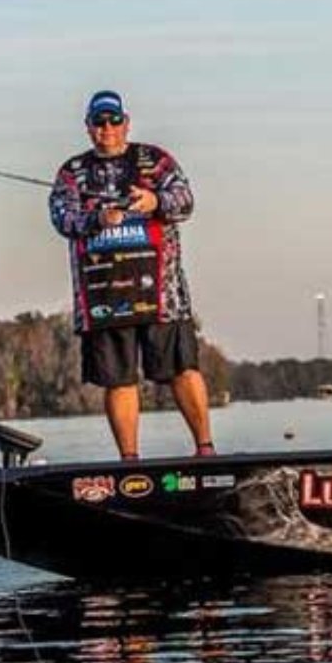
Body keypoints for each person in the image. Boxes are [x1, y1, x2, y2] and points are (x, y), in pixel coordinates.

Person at [49, 89, 215, 460]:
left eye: (113, 120)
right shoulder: (71, 172)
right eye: (99, 122)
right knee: (118, 379)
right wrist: (97, 217)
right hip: (103, 296)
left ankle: (205, 449)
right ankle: (129, 460)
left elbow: (186, 201)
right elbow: (61, 217)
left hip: (161, 293)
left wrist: (155, 201)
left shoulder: (155, 161)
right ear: (88, 128)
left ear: (126, 122)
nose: (107, 128)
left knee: (182, 367)